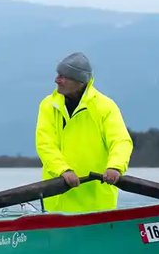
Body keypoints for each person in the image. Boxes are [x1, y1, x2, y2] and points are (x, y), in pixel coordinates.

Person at [35, 52, 133, 213]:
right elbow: (45, 144)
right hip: (57, 202)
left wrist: (115, 167)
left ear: (80, 81)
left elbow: (121, 141)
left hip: (98, 202)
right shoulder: (48, 105)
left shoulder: (105, 107)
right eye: (57, 75)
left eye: (63, 76)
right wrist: (63, 170)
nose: (56, 80)